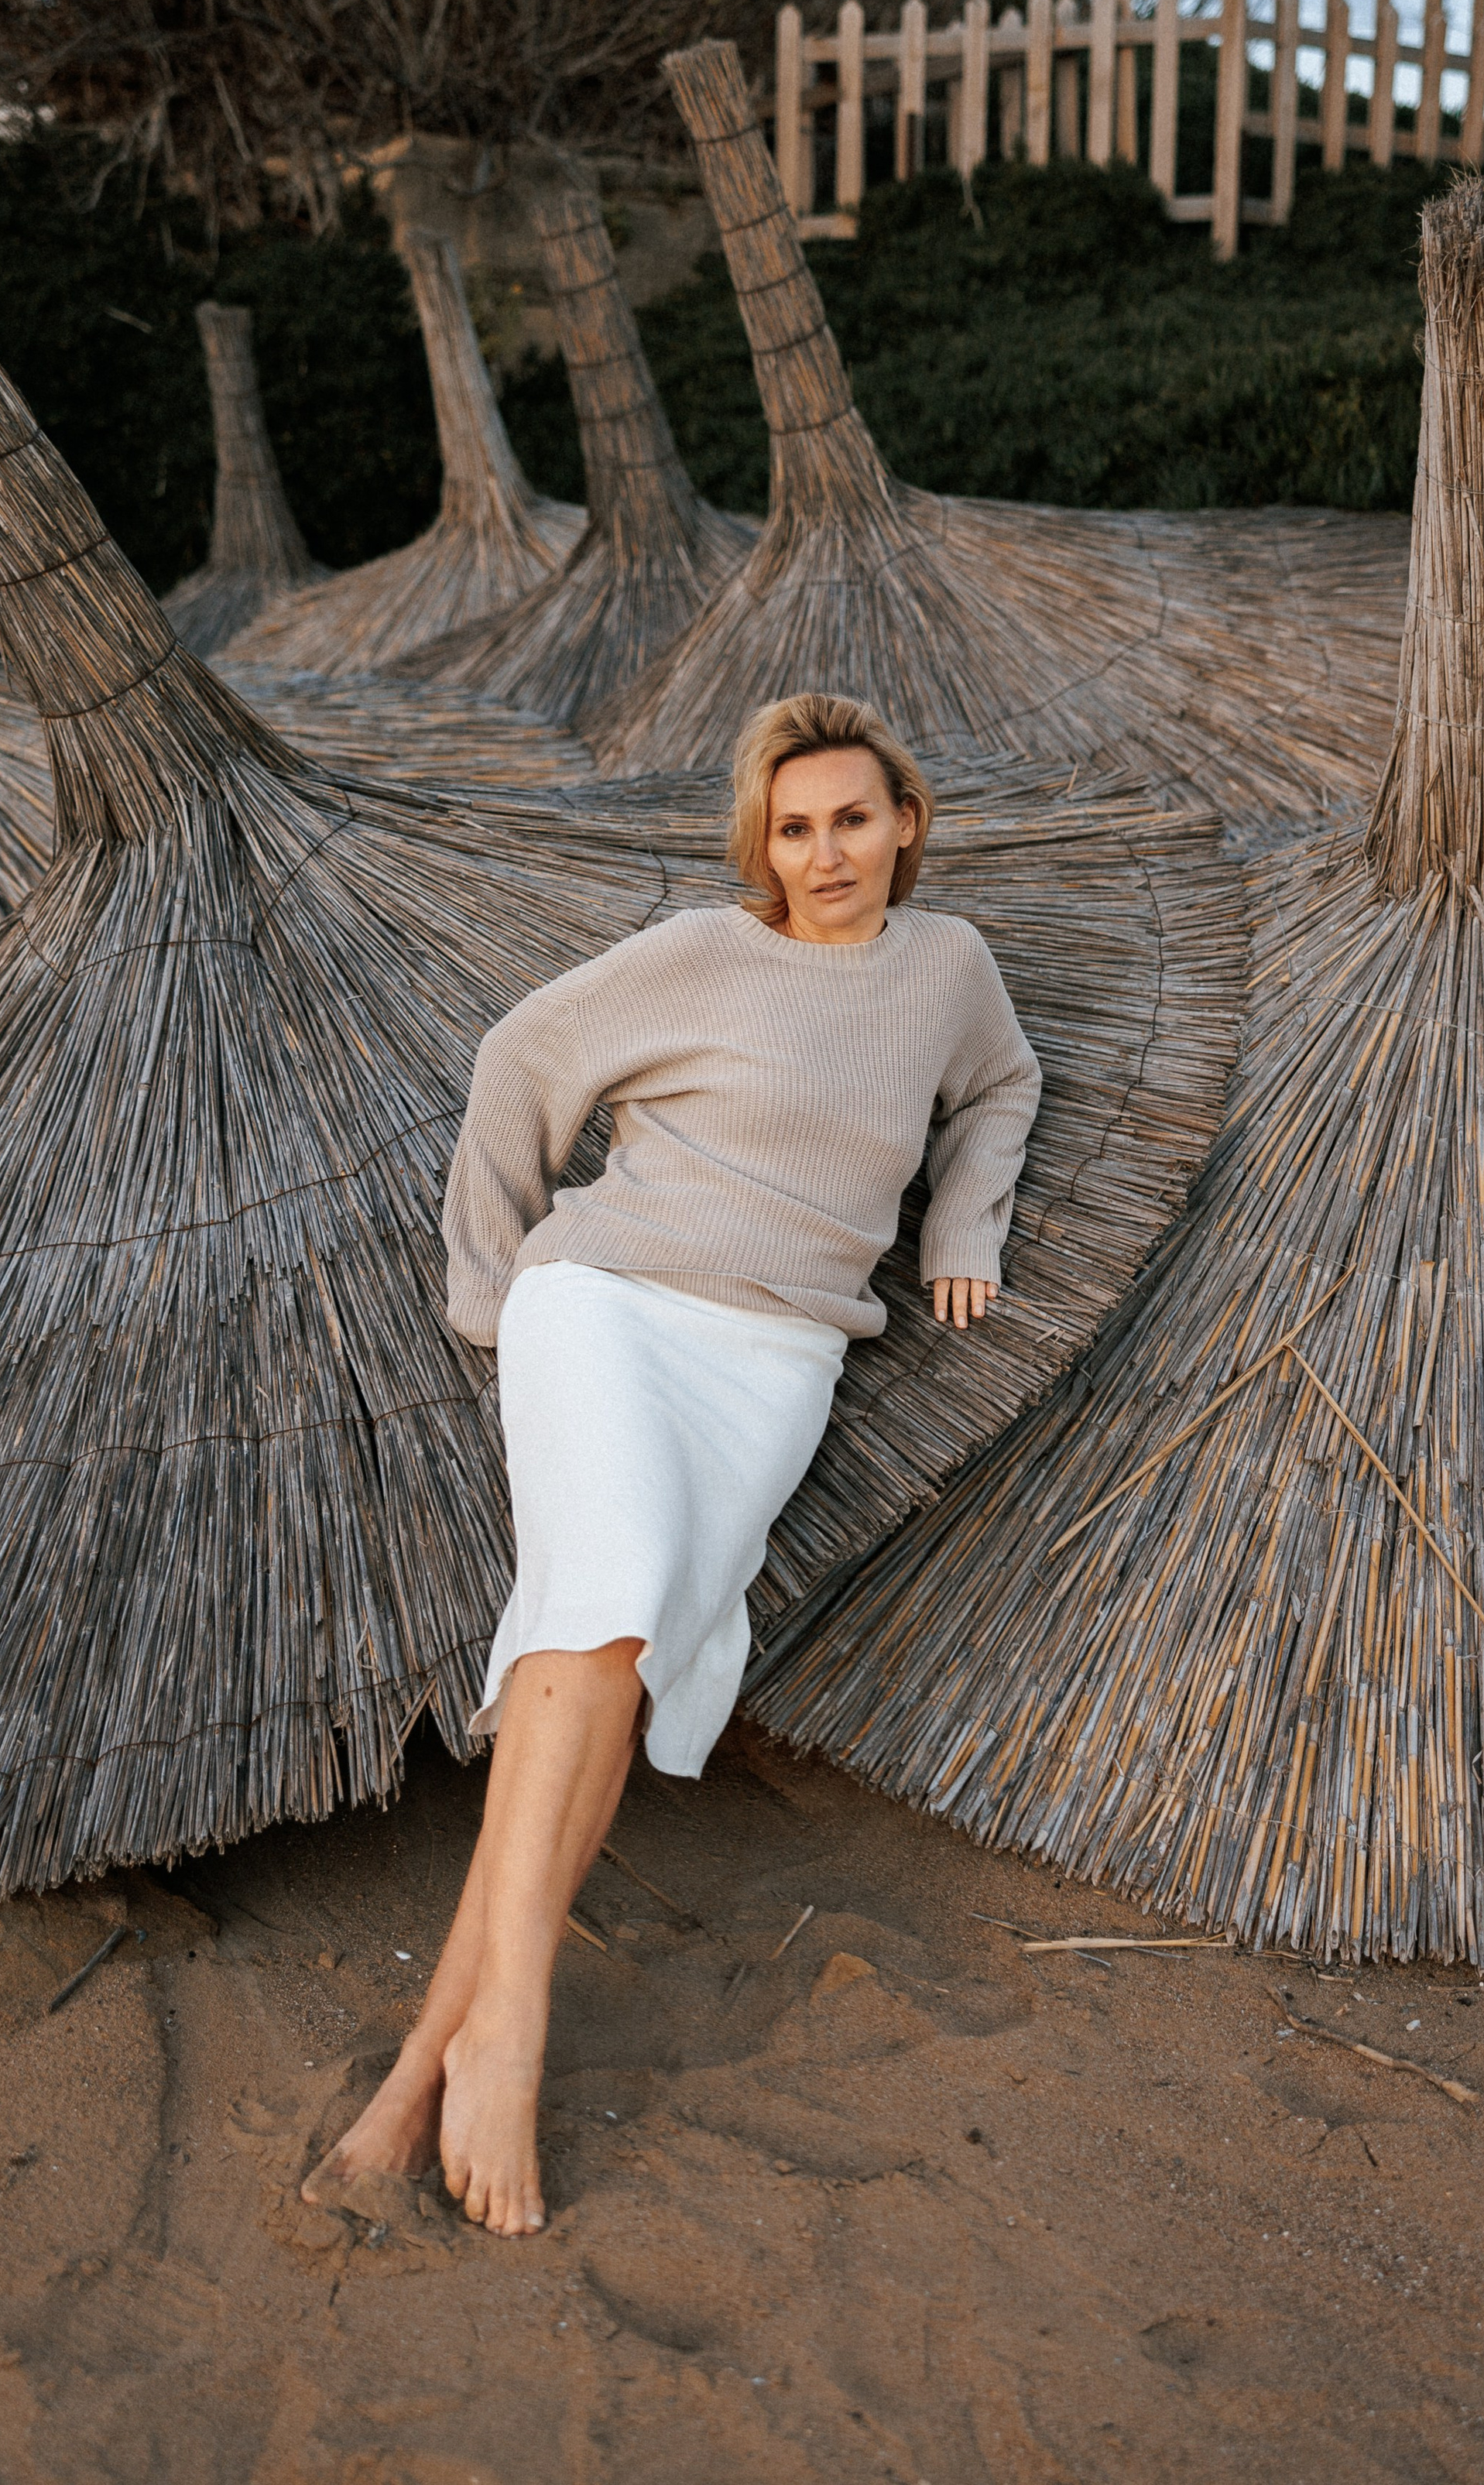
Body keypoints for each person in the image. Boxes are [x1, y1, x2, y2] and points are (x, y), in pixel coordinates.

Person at [305, 691, 1040, 2236]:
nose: (824, 850)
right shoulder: (702, 956)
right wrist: (495, 1284)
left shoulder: (947, 969)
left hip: (771, 1360)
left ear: (904, 821)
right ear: (759, 844)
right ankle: (506, 2032)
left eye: (851, 817)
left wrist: (964, 1222)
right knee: (609, 1603)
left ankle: (419, 2067)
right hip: (608, 1306)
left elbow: (999, 1090)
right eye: (793, 826)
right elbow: (522, 1059)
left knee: (610, 1656)